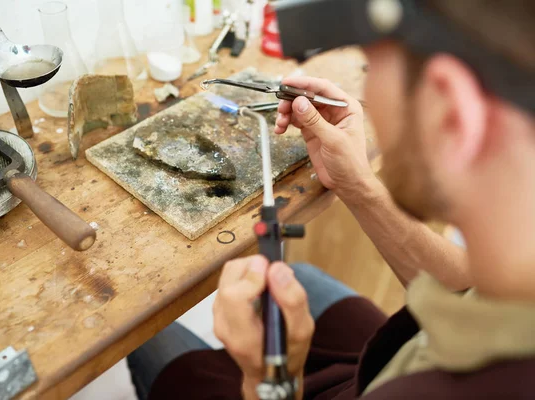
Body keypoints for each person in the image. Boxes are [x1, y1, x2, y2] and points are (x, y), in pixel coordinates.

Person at [128, 0, 535, 398]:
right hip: (397, 349)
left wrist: (269, 380)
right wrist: (358, 184)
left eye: (370, 68)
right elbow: (466, 291)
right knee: (303, 278)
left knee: (146, 333)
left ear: (452, 112)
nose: (366, 91)